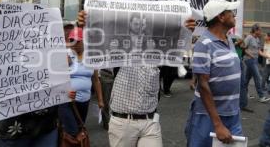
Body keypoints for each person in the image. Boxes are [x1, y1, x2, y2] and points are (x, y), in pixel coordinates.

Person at [77, 10, 196, 147]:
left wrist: (187, 31)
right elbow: (96, 43)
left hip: (150, 121)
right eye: (136, 22)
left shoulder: (156, 49)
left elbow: (177, 44)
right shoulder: (119, 46)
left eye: (143, 24)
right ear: (129, 26)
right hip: (123, 122)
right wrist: (84, 26)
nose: (140, 26)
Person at [0, 34, 75, 147]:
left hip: (46, 126)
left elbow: (64, 68)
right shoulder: (2, 48)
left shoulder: (46, 45)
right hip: (11, 130)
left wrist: (64, 91)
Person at [185, 0, 243, 146]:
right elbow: (203, 85)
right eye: (231, 12)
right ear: (221, 17)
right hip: (208, 118)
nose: (234, 15)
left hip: (232, 114)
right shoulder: (204, 44)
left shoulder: (228, 39)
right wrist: (217, 124)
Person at [58, 27, 104, 137]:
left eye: (78, 41)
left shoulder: (91, 57)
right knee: (72, 131)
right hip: (67, 100)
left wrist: (100, 100)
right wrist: (63, 63)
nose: (75, 43)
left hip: (84, 100)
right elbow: (56, 78)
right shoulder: (65, 54)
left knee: (80, 128)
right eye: (72, 40)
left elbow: (96, 80)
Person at [240, 24, 270, 112]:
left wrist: (266, 56)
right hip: (249, 60)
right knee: (258, 77)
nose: (261, 32)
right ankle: (261, 96)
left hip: (254, 60)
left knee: (246, 79)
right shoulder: (249, 37)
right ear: (255, 30)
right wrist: (250, 55)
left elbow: (258, 51)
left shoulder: (257, 39)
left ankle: (244, 94)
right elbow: (242, 47)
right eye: (259, 30)